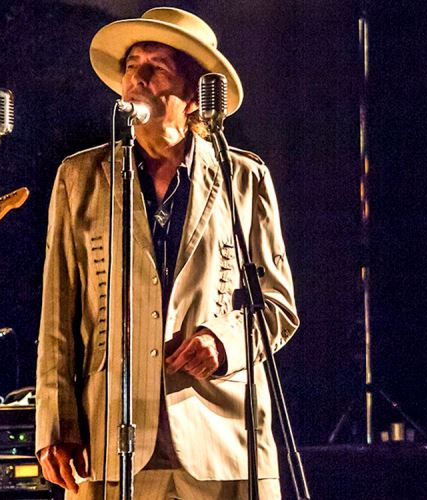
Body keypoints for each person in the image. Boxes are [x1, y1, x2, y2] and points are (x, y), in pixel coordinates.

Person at [35, 7, 298, 499]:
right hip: (110, 436)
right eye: (131, 65)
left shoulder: (244, 177)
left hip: (223, 439)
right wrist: (55, 423)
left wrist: (223, 342)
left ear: (194, 95)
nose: (137, 78)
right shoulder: (80, 177)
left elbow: (277, 306)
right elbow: (57, 315)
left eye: (156, 68)